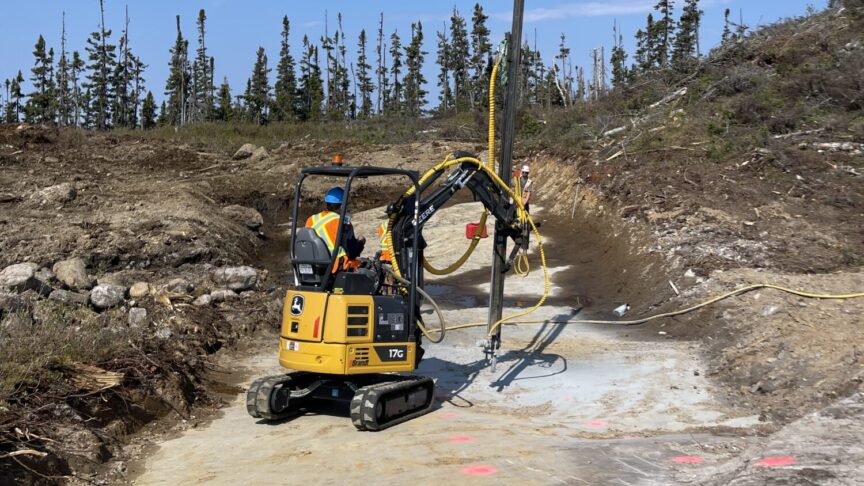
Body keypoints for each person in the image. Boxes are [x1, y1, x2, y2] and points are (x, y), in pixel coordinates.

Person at [305, 187, 366, 271]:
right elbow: (351, 252)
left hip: (313, 265)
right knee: (367, 269)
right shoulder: (342, 222)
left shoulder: (311, 219)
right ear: (342, 205)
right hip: (335, 265)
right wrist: (360, 243)